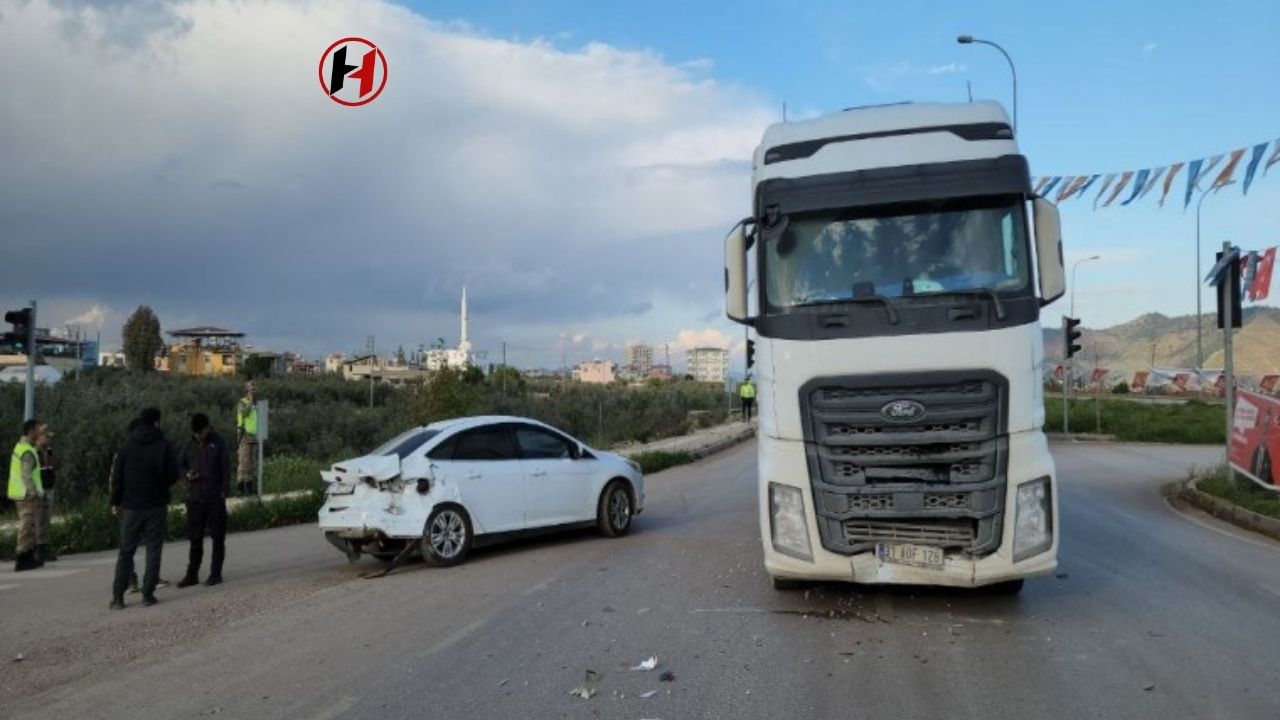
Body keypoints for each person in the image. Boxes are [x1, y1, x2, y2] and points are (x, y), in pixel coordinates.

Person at [110, 407, 178, 609]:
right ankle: (147, 595)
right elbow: (173, 474)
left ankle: (118, 598)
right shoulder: (163, 445)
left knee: (126, 551)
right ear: (156, 422)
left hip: (131, 506)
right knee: (153, 549)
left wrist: (116, 502)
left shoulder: (126, 447)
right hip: (156, 505)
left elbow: (117, 479)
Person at [178, 413, 229, 588]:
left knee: (217, 537)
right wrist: (187, 475)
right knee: (195, 538)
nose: (199, 436)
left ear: (207, 428)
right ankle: (192, 575)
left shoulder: (218, 442)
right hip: (195, 498)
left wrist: (223, 493)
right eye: (196, 434)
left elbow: (225, 469)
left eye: (201, 433)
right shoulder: (189, 444)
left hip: (214, 497)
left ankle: (215, 574)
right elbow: (181, 465)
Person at [8, 419, 46, 572]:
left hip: (23, 494)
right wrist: (33, 493)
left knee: (30, 526)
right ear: (31, 431)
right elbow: (27, 476)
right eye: (38, 429)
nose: (40, 432)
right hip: (26, 495)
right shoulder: (27, 451)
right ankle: (22, 559)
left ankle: (28, 557)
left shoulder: (25, 447)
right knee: (26, 527)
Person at [235, 382, 259, 495]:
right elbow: (244, 413)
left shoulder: (256, 404)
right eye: (251, 389)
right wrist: (250, 401)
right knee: (243, 462)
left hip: (254, 437)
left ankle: (249, 487)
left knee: (251, 462)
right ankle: (240, 487)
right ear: (246, 391)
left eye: (254, 389)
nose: (253, 391)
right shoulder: (242, 402)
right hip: (244, 436)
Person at [36, 428, 56, 563]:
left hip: (48, 487)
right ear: (39, 436)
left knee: (46, 520)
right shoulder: (34, 451)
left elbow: (52, 466)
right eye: (47, 436)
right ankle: (37, 550)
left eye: (50, 437)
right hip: (39, 488)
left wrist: (49, 452)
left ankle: (44, 548)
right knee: (38, 520)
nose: (49, 439)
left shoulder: (48, 450)